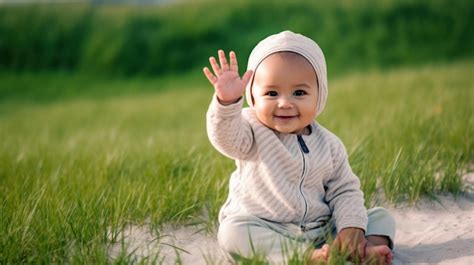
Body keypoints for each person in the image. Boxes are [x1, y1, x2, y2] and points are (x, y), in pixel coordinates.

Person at [203, 30, 395, 264]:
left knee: (380, 218)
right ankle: (305, 258)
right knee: (232, 232)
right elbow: (225, 137)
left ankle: (360, 250)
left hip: (320, 230)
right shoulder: (250, 131)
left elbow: (344, 190)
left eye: (299, 92)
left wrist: (351, 227)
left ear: (319, 96)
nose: (285, 103)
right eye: (271, 93)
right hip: (266, 227)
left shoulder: (329, 144)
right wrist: (227, 103)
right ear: (252, 97)